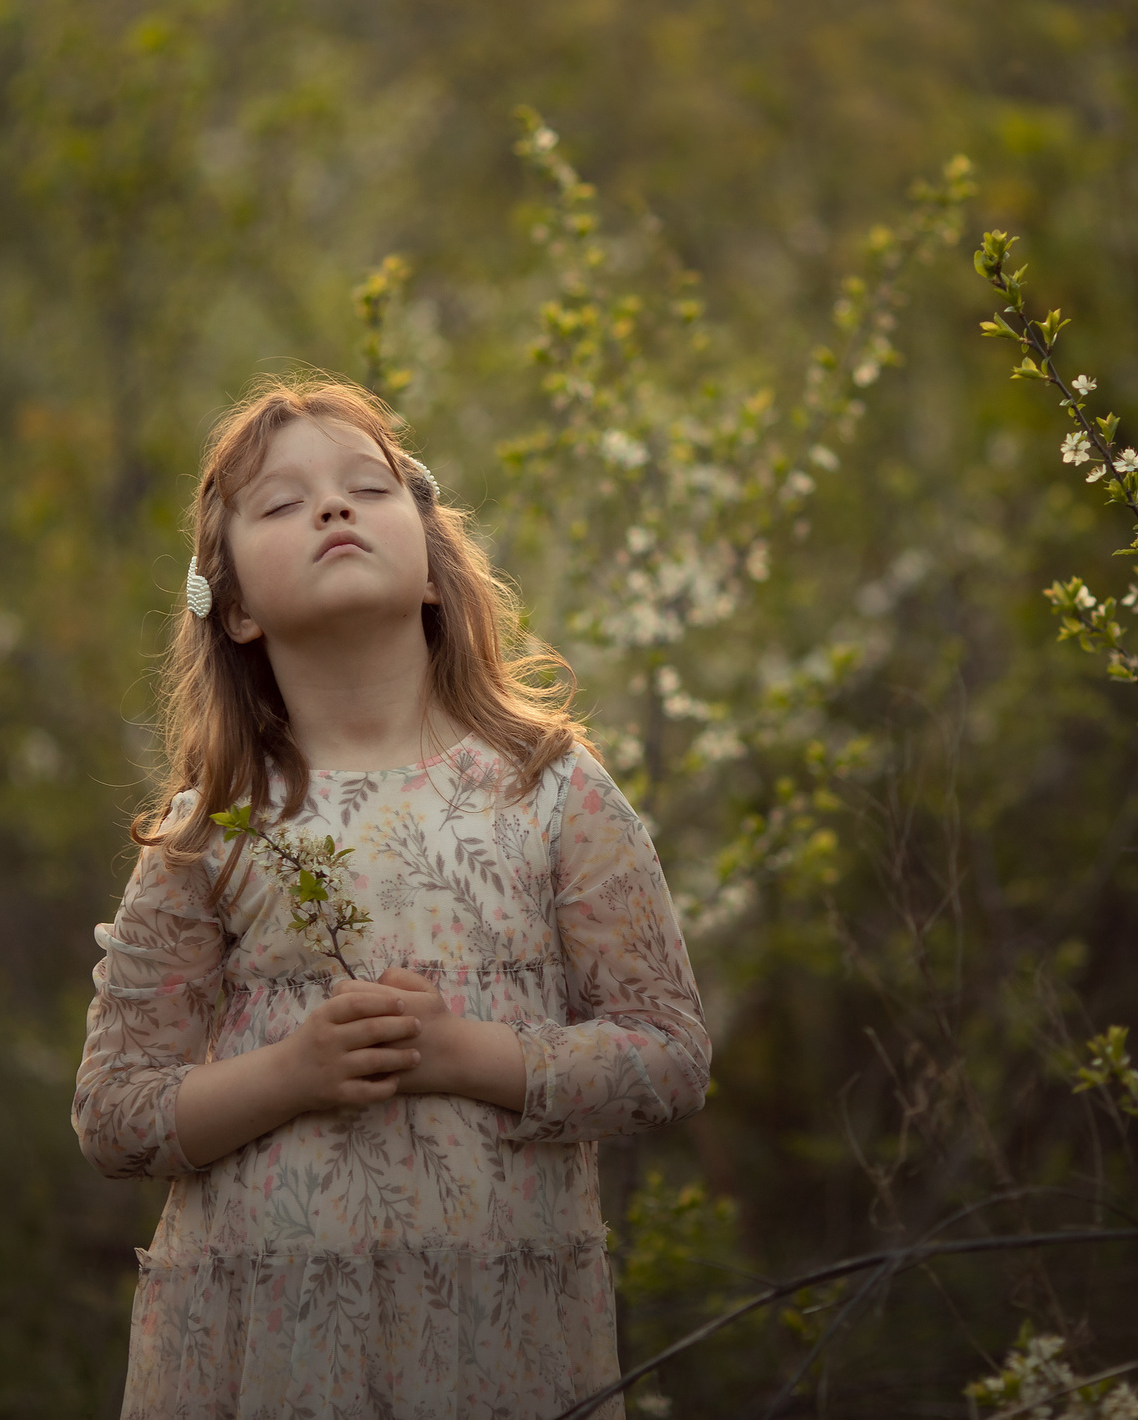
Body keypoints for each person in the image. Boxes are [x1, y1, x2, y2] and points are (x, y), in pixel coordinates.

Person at [72, 376, 710, 1419]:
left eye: (366, 488)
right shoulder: (217, 827)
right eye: (282, 504)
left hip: (496, 1344)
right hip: (272, 1352)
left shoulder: (549, 788)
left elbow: (670, 1054)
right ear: (235, 608)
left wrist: (467, 1056)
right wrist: (291, 1074)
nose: (332, 506)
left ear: (430, 567)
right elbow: (113, 1113)